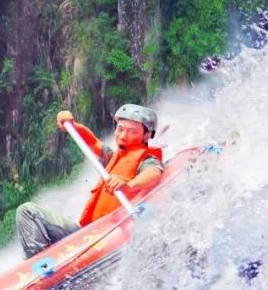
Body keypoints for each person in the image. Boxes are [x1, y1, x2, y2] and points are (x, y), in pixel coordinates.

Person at [14, 105, 164, 259]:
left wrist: (129, 185)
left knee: (26, 211)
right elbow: (92, 143)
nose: (123, 136)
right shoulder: (112, 157)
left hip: (107, 235)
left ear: (146, 135)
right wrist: (73, 125)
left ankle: (42, 265)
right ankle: (40, 263)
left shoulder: (147, 159)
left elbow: (153, 173)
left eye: (132, 131)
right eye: (120, 129)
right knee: (27, 211)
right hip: (86, 234)